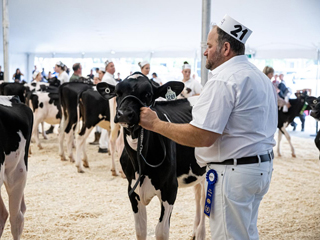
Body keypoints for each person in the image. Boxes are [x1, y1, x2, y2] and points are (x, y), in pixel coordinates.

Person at [139, 15, 277, 240]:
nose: (205, 51)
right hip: (260, 169)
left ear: (225, 48)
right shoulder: (260, 78)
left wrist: (156, 124)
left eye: (209, 46)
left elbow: (202, 136)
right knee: (247, 233)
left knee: (228, 236)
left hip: (233, 174)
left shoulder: (224, 79)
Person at [99, 60, 117, 153]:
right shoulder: (108, 78)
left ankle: (105, 145)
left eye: (113, 65)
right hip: (109, 103)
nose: (113, 67)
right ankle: (103, 145)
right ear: (106, 68)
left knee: (107, 126)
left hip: (110, 103)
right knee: (107, 126)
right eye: (111, 66)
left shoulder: (110, 77)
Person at [89, 66, 106, 145]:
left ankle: (101, 141)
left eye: (97, 79)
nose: (95, 81)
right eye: (94, 80)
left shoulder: (102, 89)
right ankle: (97, 139)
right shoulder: (92, 89)